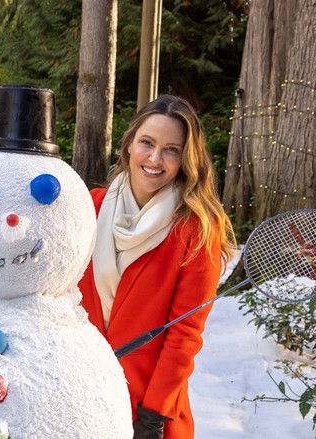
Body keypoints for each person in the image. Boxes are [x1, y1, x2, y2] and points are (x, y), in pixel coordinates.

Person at [77, 95, 236, 439]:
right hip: (80, 394)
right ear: (129, 144)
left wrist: (153, 415)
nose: (154, 159)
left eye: (171, 150)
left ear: (186, 159)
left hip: (145, 406)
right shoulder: (90, 206)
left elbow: (184, 335)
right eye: (146, 143)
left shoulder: (197, 229)